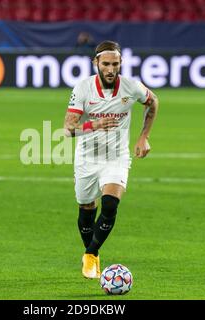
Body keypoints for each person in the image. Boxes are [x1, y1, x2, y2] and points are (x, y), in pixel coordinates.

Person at [63, 40, 159, 279]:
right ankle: (92, 255)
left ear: (121, 63)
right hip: (87, 158)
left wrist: (143, 137)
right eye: (105, 63)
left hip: (116, 157)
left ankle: (91, 252)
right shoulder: (83, 88)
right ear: (96, 62)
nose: (110, 69)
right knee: (86, 208)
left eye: (115, 64)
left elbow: (153, 102)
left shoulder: (131, 87)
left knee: (110, 204)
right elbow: (68, 128)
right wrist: (95, 124)